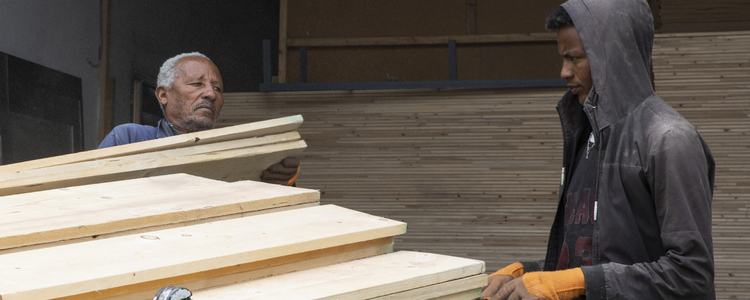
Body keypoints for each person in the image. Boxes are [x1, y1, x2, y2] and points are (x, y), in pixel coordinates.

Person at [481, 0, 715, 299]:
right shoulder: (588, 137)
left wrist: (575, 282)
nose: (564, 71)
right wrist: (529, 272)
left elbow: (691, 272)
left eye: (574, 58)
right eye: (563, 58)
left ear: (611, 58)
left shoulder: (669, 140)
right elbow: (593, 262)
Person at [99, 52, 299, 186]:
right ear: (162, 95)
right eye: (197, 84)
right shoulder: (128, 139)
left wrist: (283, 183)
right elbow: (86, 198)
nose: (211, 94)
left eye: (218, 88)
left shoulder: (236, 155)